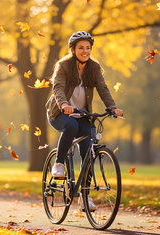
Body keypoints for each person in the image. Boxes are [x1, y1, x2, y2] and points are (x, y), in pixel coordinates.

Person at [45, 31, 123, 210]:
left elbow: (103, 88)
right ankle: (58, 164)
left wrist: (112, 107)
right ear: (73, 50)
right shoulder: (63, 66)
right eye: (81, 48)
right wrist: (64, 104)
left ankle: (84, 196)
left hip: (82, 114)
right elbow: (57, 87)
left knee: (89, 148)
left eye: (88, 48)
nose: (85, 51)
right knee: (70, 125)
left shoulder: (94, 68)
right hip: (59, 113)